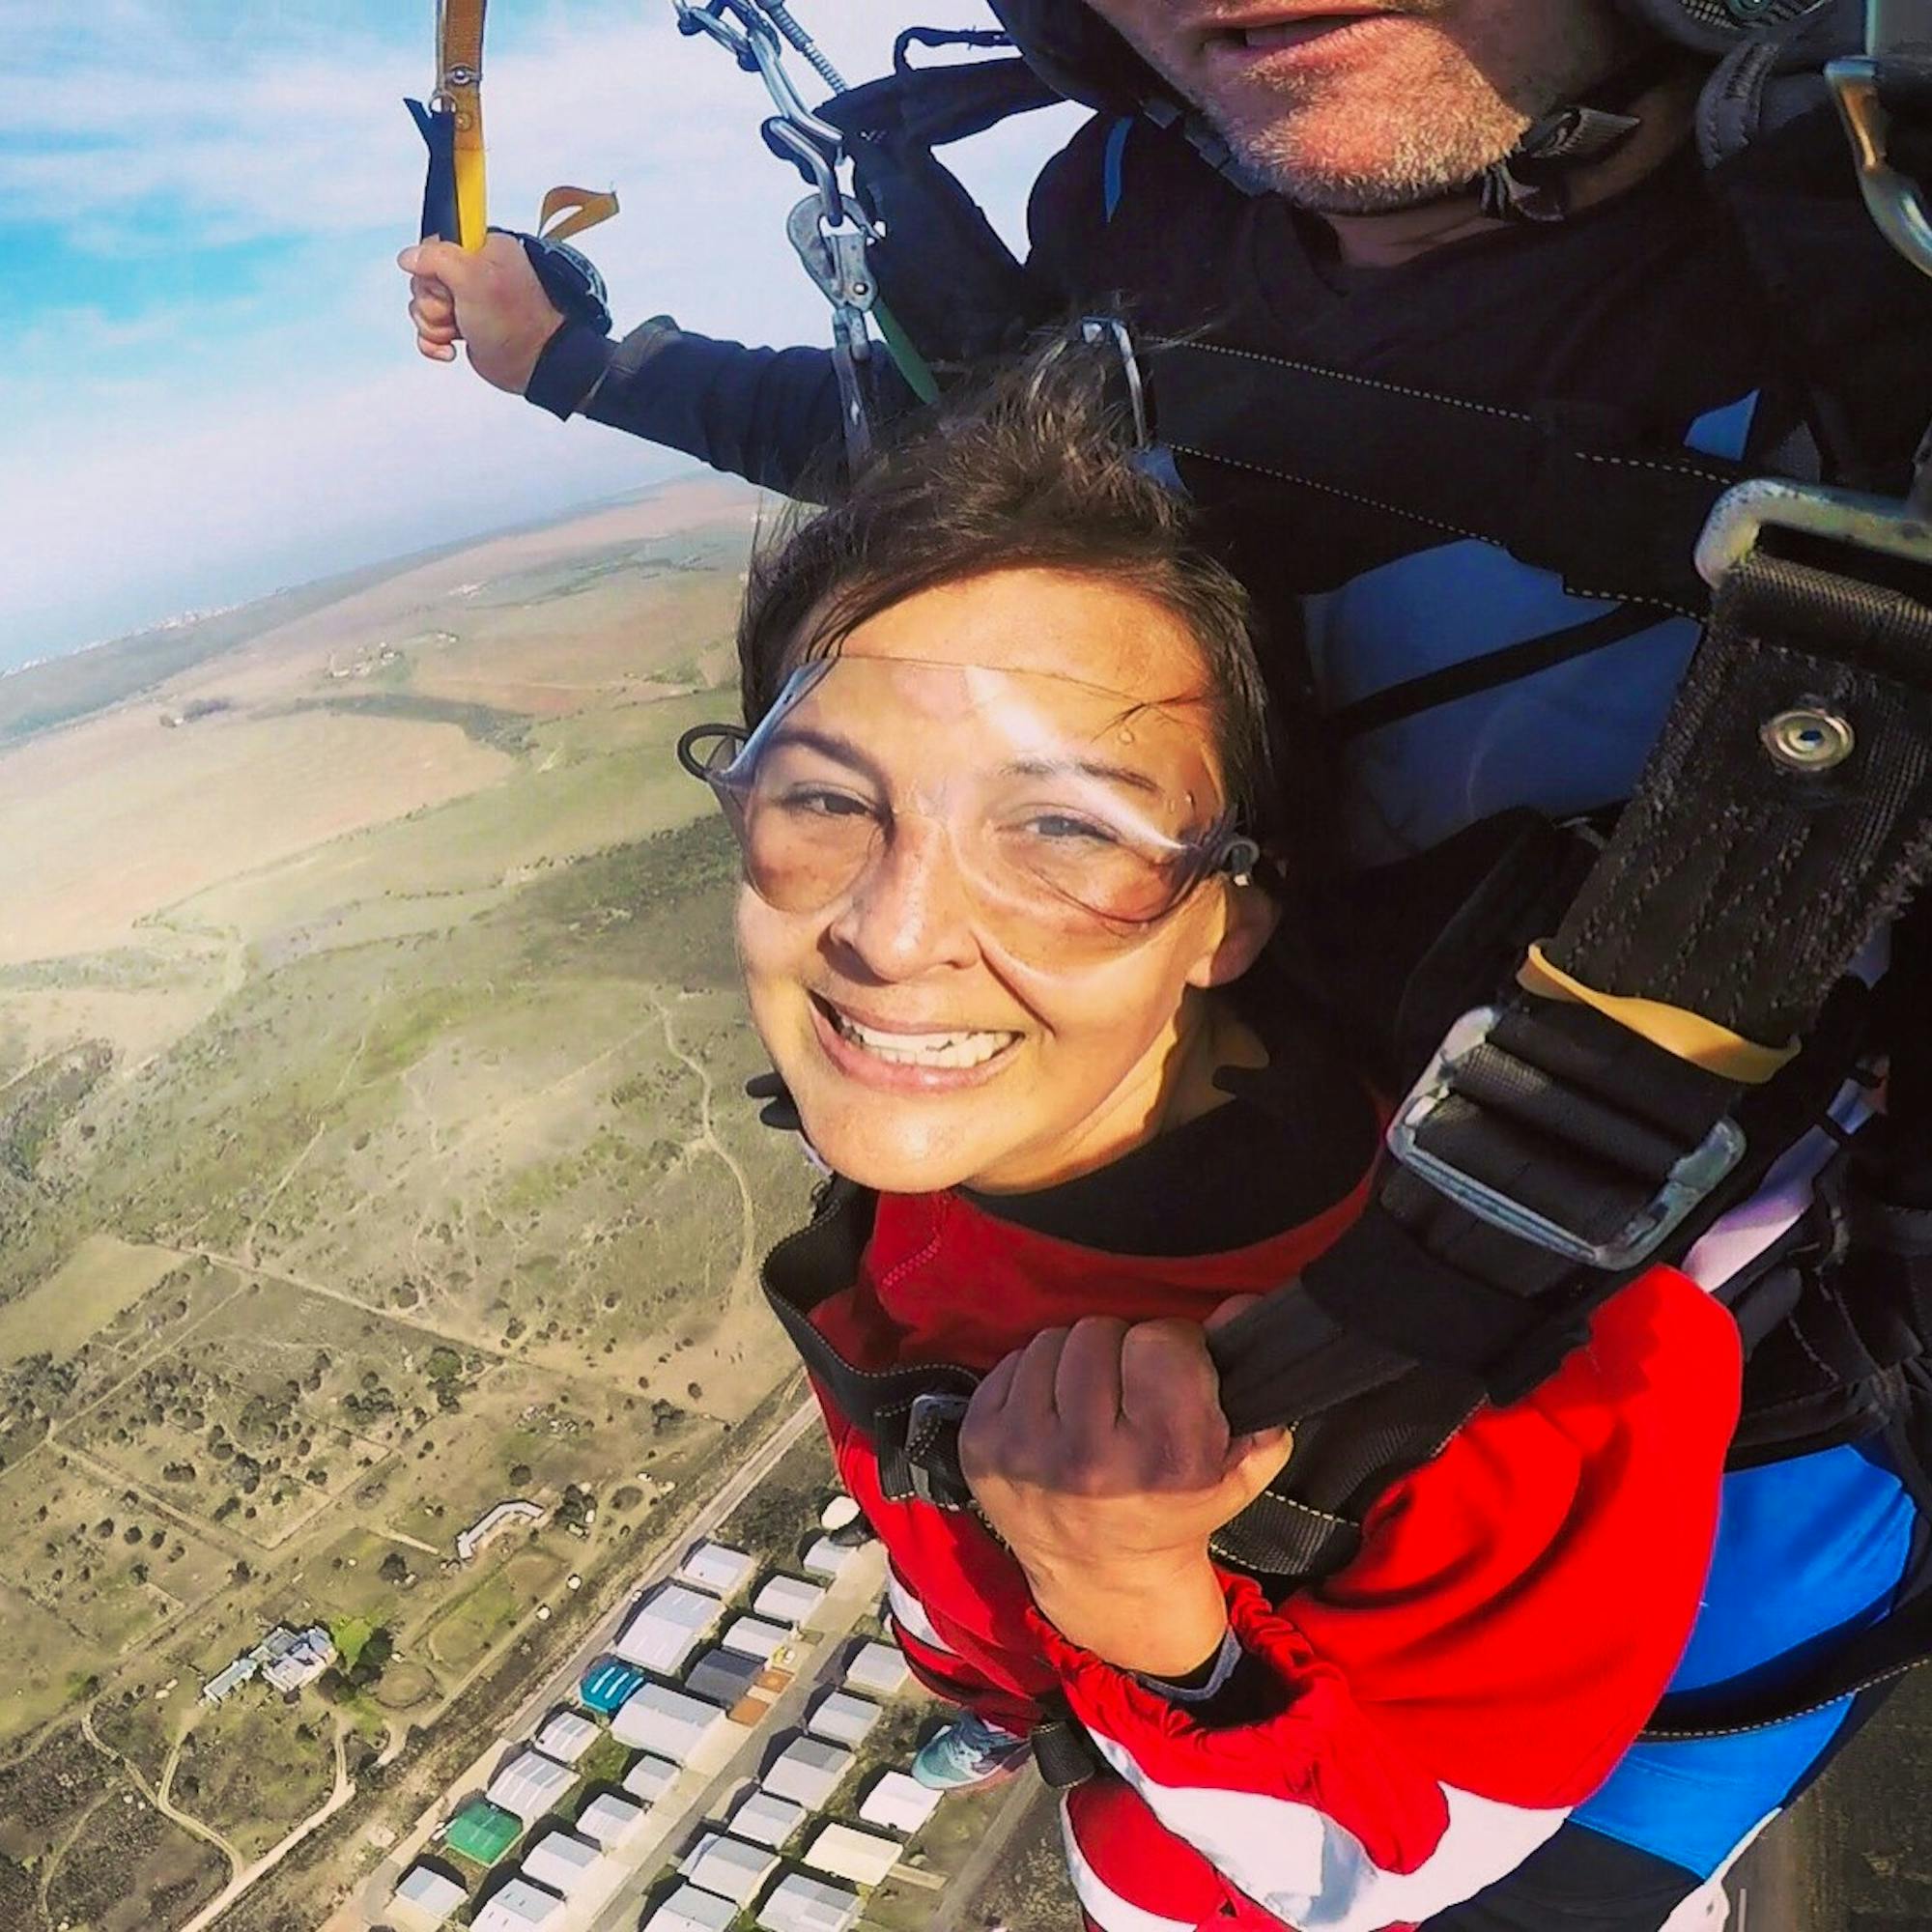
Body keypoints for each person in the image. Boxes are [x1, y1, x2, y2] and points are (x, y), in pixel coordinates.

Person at [400, 4, 1932, 1923]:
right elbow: (944, 451)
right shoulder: (1141, 208)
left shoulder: (1866, 248)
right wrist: (589, 364)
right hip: (1205, 1391)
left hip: (1708, 1496)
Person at [684, 344, 1740, 1931]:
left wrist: (1139, 1612)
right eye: (827, 800)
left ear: (1226, 913)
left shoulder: (1518, 1381)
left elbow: (1420, 1867)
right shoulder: (953, 1126)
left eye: (1064, 832)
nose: (893, 936)